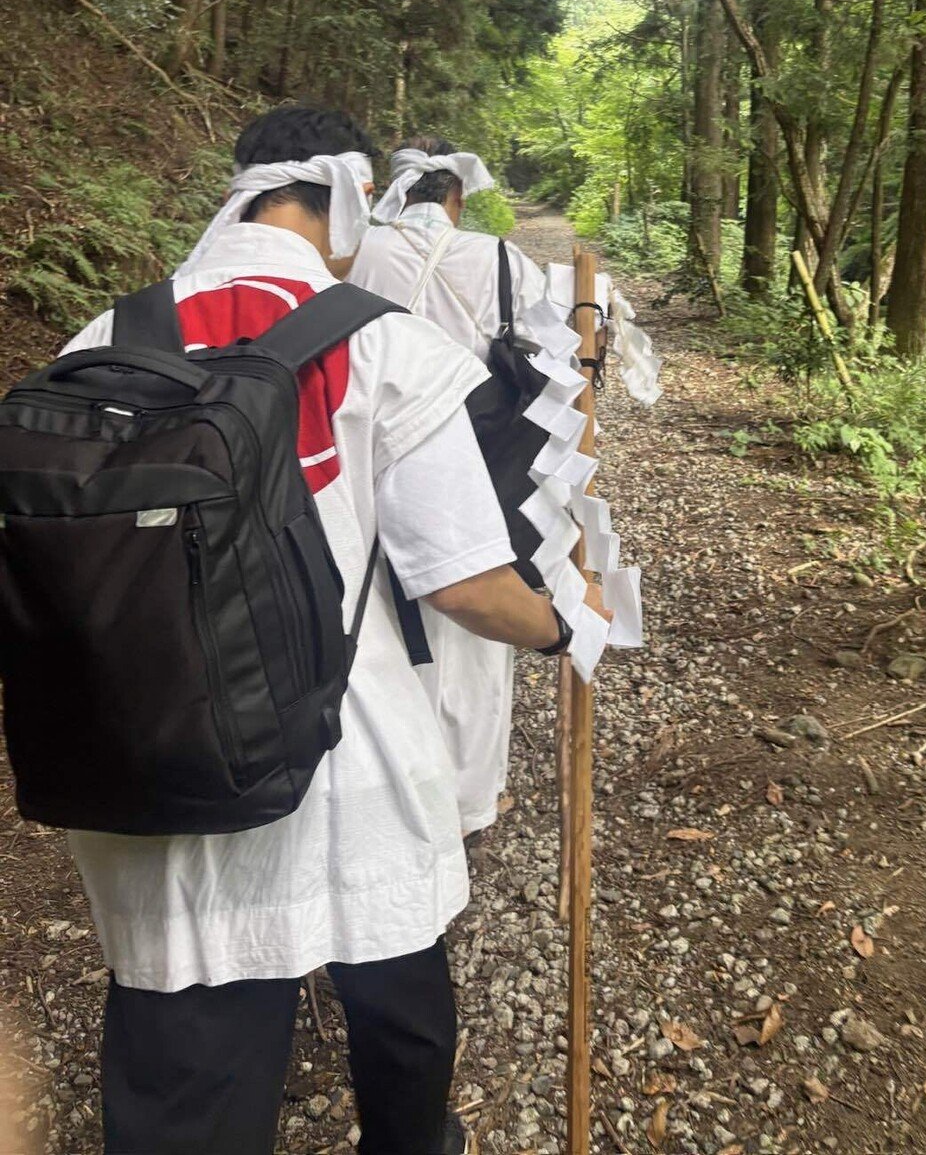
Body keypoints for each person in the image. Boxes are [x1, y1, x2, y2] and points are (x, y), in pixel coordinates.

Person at [59, 105, 611, 1155]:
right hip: (344, 766)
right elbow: (464, 585)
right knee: (397, 1010)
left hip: (151, 762)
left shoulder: (104, 337)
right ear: (348, 197)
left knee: (187, 1068)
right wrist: (563, 625)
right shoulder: (382, 344)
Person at [350, 140, 589, 837]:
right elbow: (560, 360)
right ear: (457, 195)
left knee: (367, 622)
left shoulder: (354, 254)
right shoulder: (501, 260)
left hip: (363, 457)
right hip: (477, 465)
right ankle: (462, 806)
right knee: (472, 629)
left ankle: (376, 792)